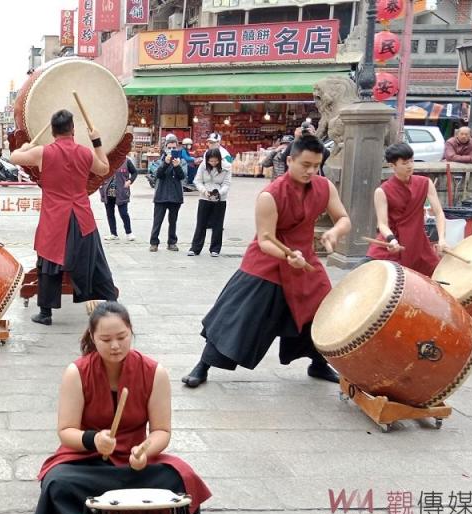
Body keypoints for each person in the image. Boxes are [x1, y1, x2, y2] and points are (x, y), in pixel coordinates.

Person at [19, 302, 211, 514]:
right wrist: (94, 440)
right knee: (57, 482)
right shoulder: (76, 372)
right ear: (93, 337)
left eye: (122, 337)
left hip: (134, 462)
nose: (115, 346)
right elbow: (66, 431)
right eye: (106, 339)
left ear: (131, 332)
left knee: (181, 475)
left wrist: (144, 451)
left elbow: (161, 430)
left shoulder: (154, 372)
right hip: (87, 461)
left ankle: (92, 511)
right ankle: (130, 508)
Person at [182, 135, 350, 388]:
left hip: (306, 261)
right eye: (305, 164)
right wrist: (287, 256)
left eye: (316, 165)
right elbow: (265, 240)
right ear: (290, 160)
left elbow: (343, 218)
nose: (311, 171)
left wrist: (334, 232)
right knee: (239, 316)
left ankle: (318, 363)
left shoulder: (325, 187)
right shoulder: (270, 195)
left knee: (320, 314)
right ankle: (203, 365)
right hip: (267, 263)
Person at [10, 109, 119, 326]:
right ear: (73, 130)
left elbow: (14, 157)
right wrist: (96, 142)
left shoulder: (43, 152)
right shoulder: (86, 152)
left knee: (49, 262)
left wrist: (25, 147)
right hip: (81, 214)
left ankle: (46, 313)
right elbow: (104, 168)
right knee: (94, 259)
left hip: (54, 216)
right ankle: (111, 302)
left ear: (52, 131)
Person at [367, 142, 447, 276]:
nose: (410, 166)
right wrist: (391, 239)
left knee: (437, 278)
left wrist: (442, 239)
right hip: (393, 242)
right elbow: (382, 223)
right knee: (378, 279)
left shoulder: (425, 183)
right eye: (404, 163)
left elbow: (438, 213)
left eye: (411, 161)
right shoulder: (382, 191)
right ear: (392, 165)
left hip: (418, 242)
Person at [188, 149, 231, 258]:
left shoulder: (227, 167)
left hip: (220, 198)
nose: (213, 163)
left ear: (220, 160)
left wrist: (218, 193)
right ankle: (195, 248)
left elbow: (227, 184)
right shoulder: (203, 166)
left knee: (217, 224)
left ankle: (215, 249)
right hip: (205, 197)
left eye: (215, 161)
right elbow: (197, 181)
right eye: (211, 161)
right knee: (201, 223)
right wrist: (204, 191)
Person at [149, 137, 186, 252]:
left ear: (177, 148)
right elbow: (157, 175)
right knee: (157, 221)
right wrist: (165, 164)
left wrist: (177, 166)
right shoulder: (159, 160)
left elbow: (183, 176)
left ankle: (172, 242)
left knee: (173, 221)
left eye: (174, 148)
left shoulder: (181, 161)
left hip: (175, 195)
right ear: (165, 148)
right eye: (169, 148)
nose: (171, 150)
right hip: (161, 195)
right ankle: (154, 242)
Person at [98, 154, 136, 241]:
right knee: (110, 214)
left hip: (121, 192)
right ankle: (113, 233)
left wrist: (130, 181)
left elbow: (134, 172)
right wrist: (100, 184)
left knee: (124, 213)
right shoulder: (106, 160)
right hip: (108, 192)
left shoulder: (126, 161)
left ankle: (129, 233)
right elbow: (99, 173)